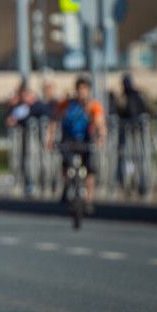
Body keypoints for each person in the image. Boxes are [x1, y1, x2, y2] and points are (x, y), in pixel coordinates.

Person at [47, 75, 107, 211]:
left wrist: (101, 137)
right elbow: (54, 119)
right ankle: (67, 186)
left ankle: (88, 200)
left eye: (85, 89)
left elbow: (100, 123)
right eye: (80, 89)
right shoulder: (67, 104)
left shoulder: (93, 105)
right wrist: (50, 138)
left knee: (89, 170)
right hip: (68, 138)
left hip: (85, 139)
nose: (82, 92)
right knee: (66, 165)